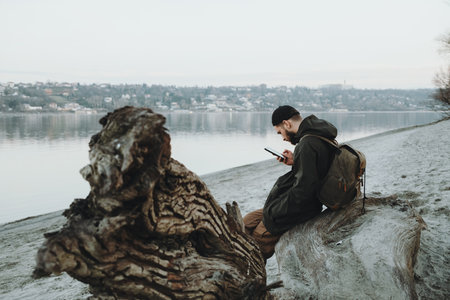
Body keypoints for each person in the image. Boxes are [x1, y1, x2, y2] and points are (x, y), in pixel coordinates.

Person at [243, 105, 338, 260]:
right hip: (295, 203)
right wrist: (296, 160)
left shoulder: (307, 144)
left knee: (257, 240)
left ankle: (248, 273)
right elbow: (316, 167)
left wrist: (274, 212)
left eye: (280, 132)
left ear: (287, 124)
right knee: (246, 222)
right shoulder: (317, 134)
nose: (283, 138)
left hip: (301, 208)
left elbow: (303, 192)